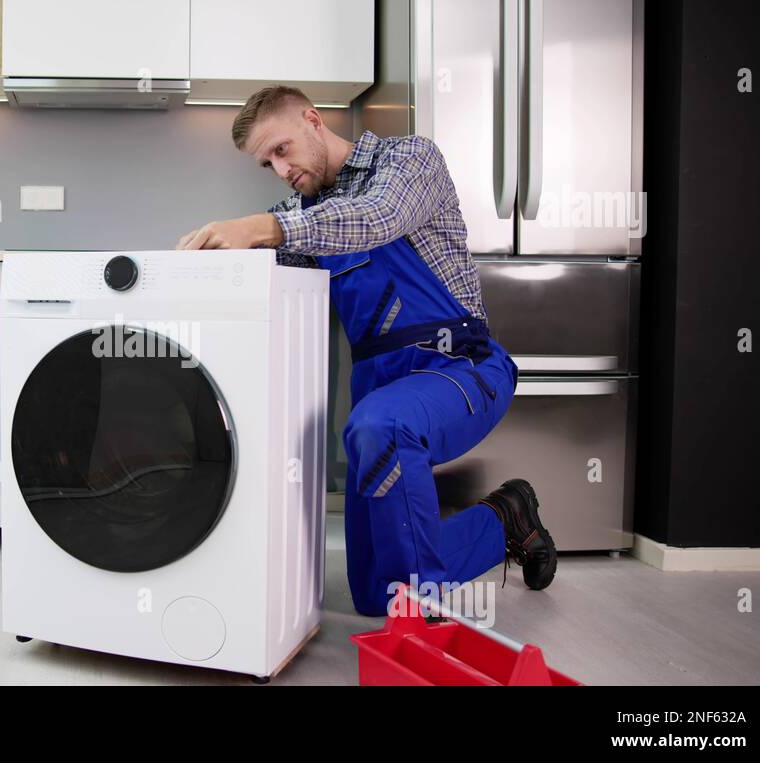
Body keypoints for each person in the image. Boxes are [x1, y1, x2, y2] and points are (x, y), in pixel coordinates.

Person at [176, 85, 558, 616]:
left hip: (460, 369)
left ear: (312, 120)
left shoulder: (407, 160)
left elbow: (376, 218)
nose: (281, 170)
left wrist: (264, 227)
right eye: (267, 164)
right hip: (379, 398)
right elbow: (260, 284)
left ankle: (421, 621)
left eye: (281, 150)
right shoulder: (297, 215)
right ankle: (505, 518)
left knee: (383, 428)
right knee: (375, 592)